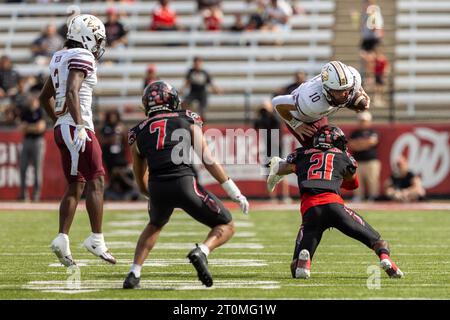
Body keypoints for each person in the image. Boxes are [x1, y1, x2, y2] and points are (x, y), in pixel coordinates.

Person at [123, 81, 249, 289]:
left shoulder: (137, 132)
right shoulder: (187, 118)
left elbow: (140, 178)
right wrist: (233, 191)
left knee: (155, 224)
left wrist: (151, 196)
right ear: (172, 100)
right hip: (184, 182)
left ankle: (133, 273)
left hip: (157, 186)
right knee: (226, 225)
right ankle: (202, 251)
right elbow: (207, 159)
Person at [266, 125, 404, 279]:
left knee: (295, 267)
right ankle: (386, 260)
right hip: (335, 207)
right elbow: (353, 185)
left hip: (311, 211)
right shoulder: (343, 156)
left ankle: (304, 263)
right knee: (378, 242)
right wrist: (334, 175)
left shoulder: (301, 154)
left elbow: (281, 168)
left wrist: (278, 167)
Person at [39, 14, 116, 267]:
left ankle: (62, 238)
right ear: (85, 35)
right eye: (96, 38)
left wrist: (57, 120)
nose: (98, 44)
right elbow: (72, 90)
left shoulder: (59, 56)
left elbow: (44, 97)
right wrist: (80, 124)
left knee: (77, 184)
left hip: (64, 128)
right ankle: (96, 239)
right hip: (77, 127)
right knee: (97, 181)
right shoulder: (82, 56)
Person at [272, 60, 370, 148]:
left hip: (320, 114)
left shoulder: (353, 77)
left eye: (347, 89)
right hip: (302, 119)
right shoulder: (311, 101)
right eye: (339, 91)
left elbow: (354, 85)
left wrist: (361, 91)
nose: (345, 94)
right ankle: (282, 164)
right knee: (317, 150)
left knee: (362, 104)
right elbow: (277, 103)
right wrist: (295, 124)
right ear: (327, 90)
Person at [253, 100, 291, 203]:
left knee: (282, 172)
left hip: (277, 149)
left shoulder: (275, 118)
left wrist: (270, 111)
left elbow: (275, 132)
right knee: (268, 174)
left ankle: (284, 196)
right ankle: (272, 197)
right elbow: (255, 126)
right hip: (268, 149)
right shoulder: (262, 119)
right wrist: (258, 113)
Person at [100, 110, 139, 201]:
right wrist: (111, 139)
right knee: (113, 174)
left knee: (121, 173)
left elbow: (128, 141)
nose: (113, 119)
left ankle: (132, 188)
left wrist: (123, 132)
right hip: (109, 157)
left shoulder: (121, 127)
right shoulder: (105, 128)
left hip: (120, 157)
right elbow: (102, 140)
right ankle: (115, 190)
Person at [18, 88, 46, 202]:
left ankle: (36, 195)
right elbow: (21, 128)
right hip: (27, 141)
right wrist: (33, 127)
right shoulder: (25, 111)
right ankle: (24, 195)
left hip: (38, 141)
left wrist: (28, 127)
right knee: (22, 168)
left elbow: (40, 128)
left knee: (37, 169)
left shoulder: (41, 111)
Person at [348, 111, 380, 202]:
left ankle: (373, 196)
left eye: (364, 121)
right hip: (357, 161)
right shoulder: (354, 133)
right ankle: (358, 196)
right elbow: (351, 145)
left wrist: (359, 143)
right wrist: (365, 143)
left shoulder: (373, 132)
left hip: (371, 161)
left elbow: (372, 142)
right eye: (361, 121)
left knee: (372, 180)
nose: (363, 123)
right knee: (357, 181)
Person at [181, 56, 222, 121]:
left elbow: (210, 83)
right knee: (184, 103)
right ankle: (185, 119)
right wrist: (182, 89)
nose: (197, 65)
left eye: (198, 63)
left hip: (202, 93)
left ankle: (202, 123)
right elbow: (187, 82)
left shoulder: (204, 73)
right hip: (193, 92)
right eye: (195, 63)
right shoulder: (191, 72)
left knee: (202, 110)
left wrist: (216, 90)